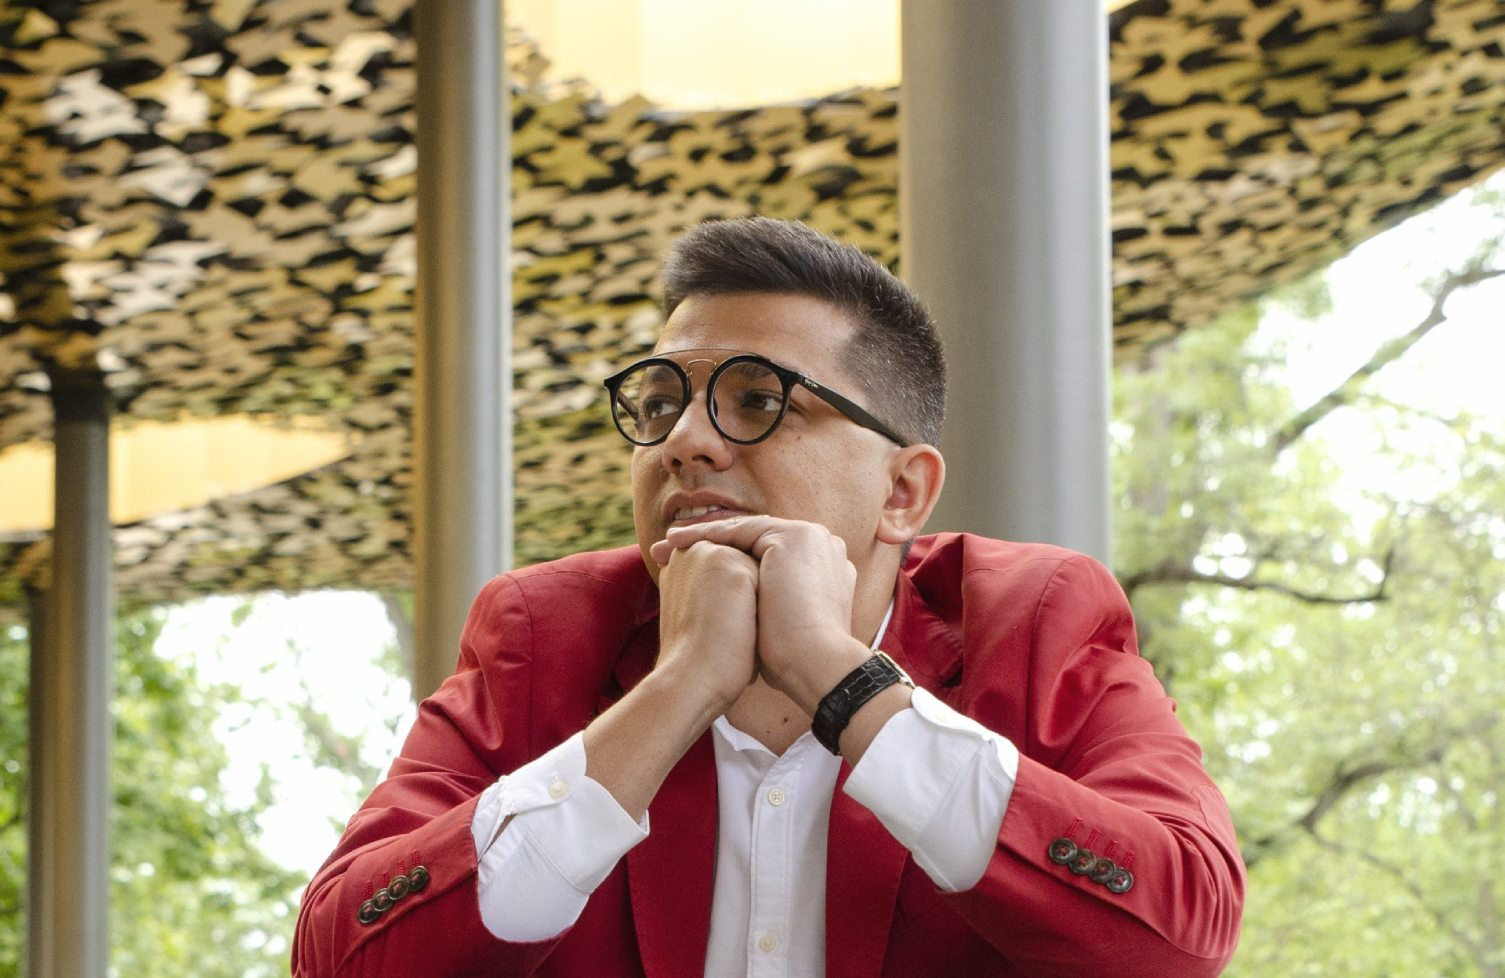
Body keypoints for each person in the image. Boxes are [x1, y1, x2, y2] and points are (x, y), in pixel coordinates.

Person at [293, 217, 1244, 977]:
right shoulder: (543, 632)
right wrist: (673, 692)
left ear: (902, 492)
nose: (684, 442)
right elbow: (340, 954)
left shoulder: (1032, 619)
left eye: (758, 400)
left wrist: (840, 679)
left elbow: (1180, 933)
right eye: (659, 404)